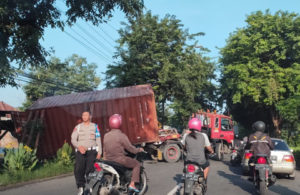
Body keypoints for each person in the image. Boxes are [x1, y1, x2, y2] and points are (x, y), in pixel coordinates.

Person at [103, 114, 144, 193]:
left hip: (108, 160)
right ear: (119, 123)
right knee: (136, 164)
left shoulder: (106, 135)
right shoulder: (121, 136)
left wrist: (105, 158)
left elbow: (105, 149)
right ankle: (132, 184)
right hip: (119, 160)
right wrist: (139, 149)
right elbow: (131, 149)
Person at [71, 111, 102, 195]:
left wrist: (100, 152)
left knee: (90, 170)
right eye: (83, 115)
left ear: (90, 116)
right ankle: (81, 187)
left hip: (92, 151)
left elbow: (98, 139)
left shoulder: (95, 127)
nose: (84, 116)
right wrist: (78, 146)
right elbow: (73, 139)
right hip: (81, 152)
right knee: (78, 169)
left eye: (86, 115)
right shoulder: (78, 127)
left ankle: (89, 186)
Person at [184, 118, 214, 182]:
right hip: (200, 161)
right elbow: (208, 147)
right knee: (207, 165)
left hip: (188, 160)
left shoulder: (186, 135)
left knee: (185, 167)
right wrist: (212, 151)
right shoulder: (203, 135)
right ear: (199, 126)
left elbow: (184, 146)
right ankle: (203, 181)